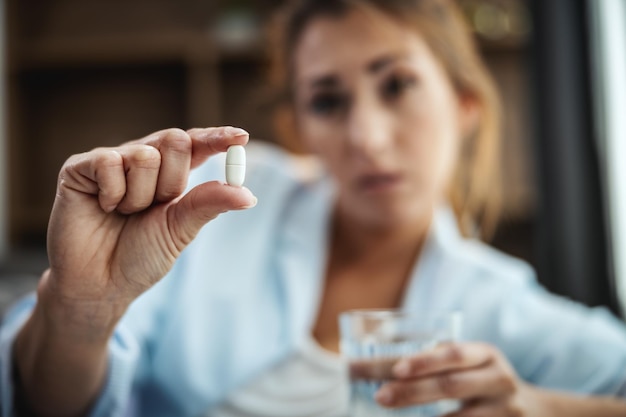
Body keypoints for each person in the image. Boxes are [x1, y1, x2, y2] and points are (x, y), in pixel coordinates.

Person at [2, 0, 626, 416]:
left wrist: (545, 406)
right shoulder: (207, 205)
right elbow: (35, 398)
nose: (367, 138)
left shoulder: (502, 304)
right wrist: (80, 310)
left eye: (397, 85)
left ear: (465, 104)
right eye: (328, 102)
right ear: (299, 125)